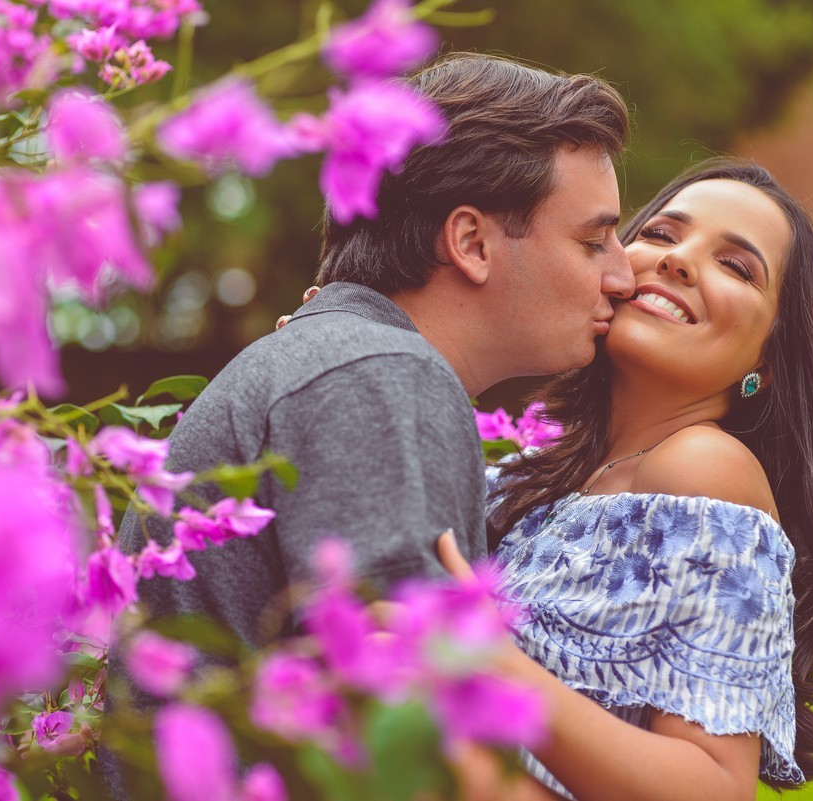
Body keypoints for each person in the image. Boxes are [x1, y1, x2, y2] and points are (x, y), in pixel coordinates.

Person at [115, 52, 634, 648]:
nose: (623, 277)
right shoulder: (383, 374)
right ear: (472, 243)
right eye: (593, 241)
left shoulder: (345, 360)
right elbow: (397, 717)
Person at [442, 158, 813, 800]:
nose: (678, 261)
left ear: (769, 360)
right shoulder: (542, 467)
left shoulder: (701, 468)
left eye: (736, 266)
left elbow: (714, 787)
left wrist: (494, 666)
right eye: (663, 235)